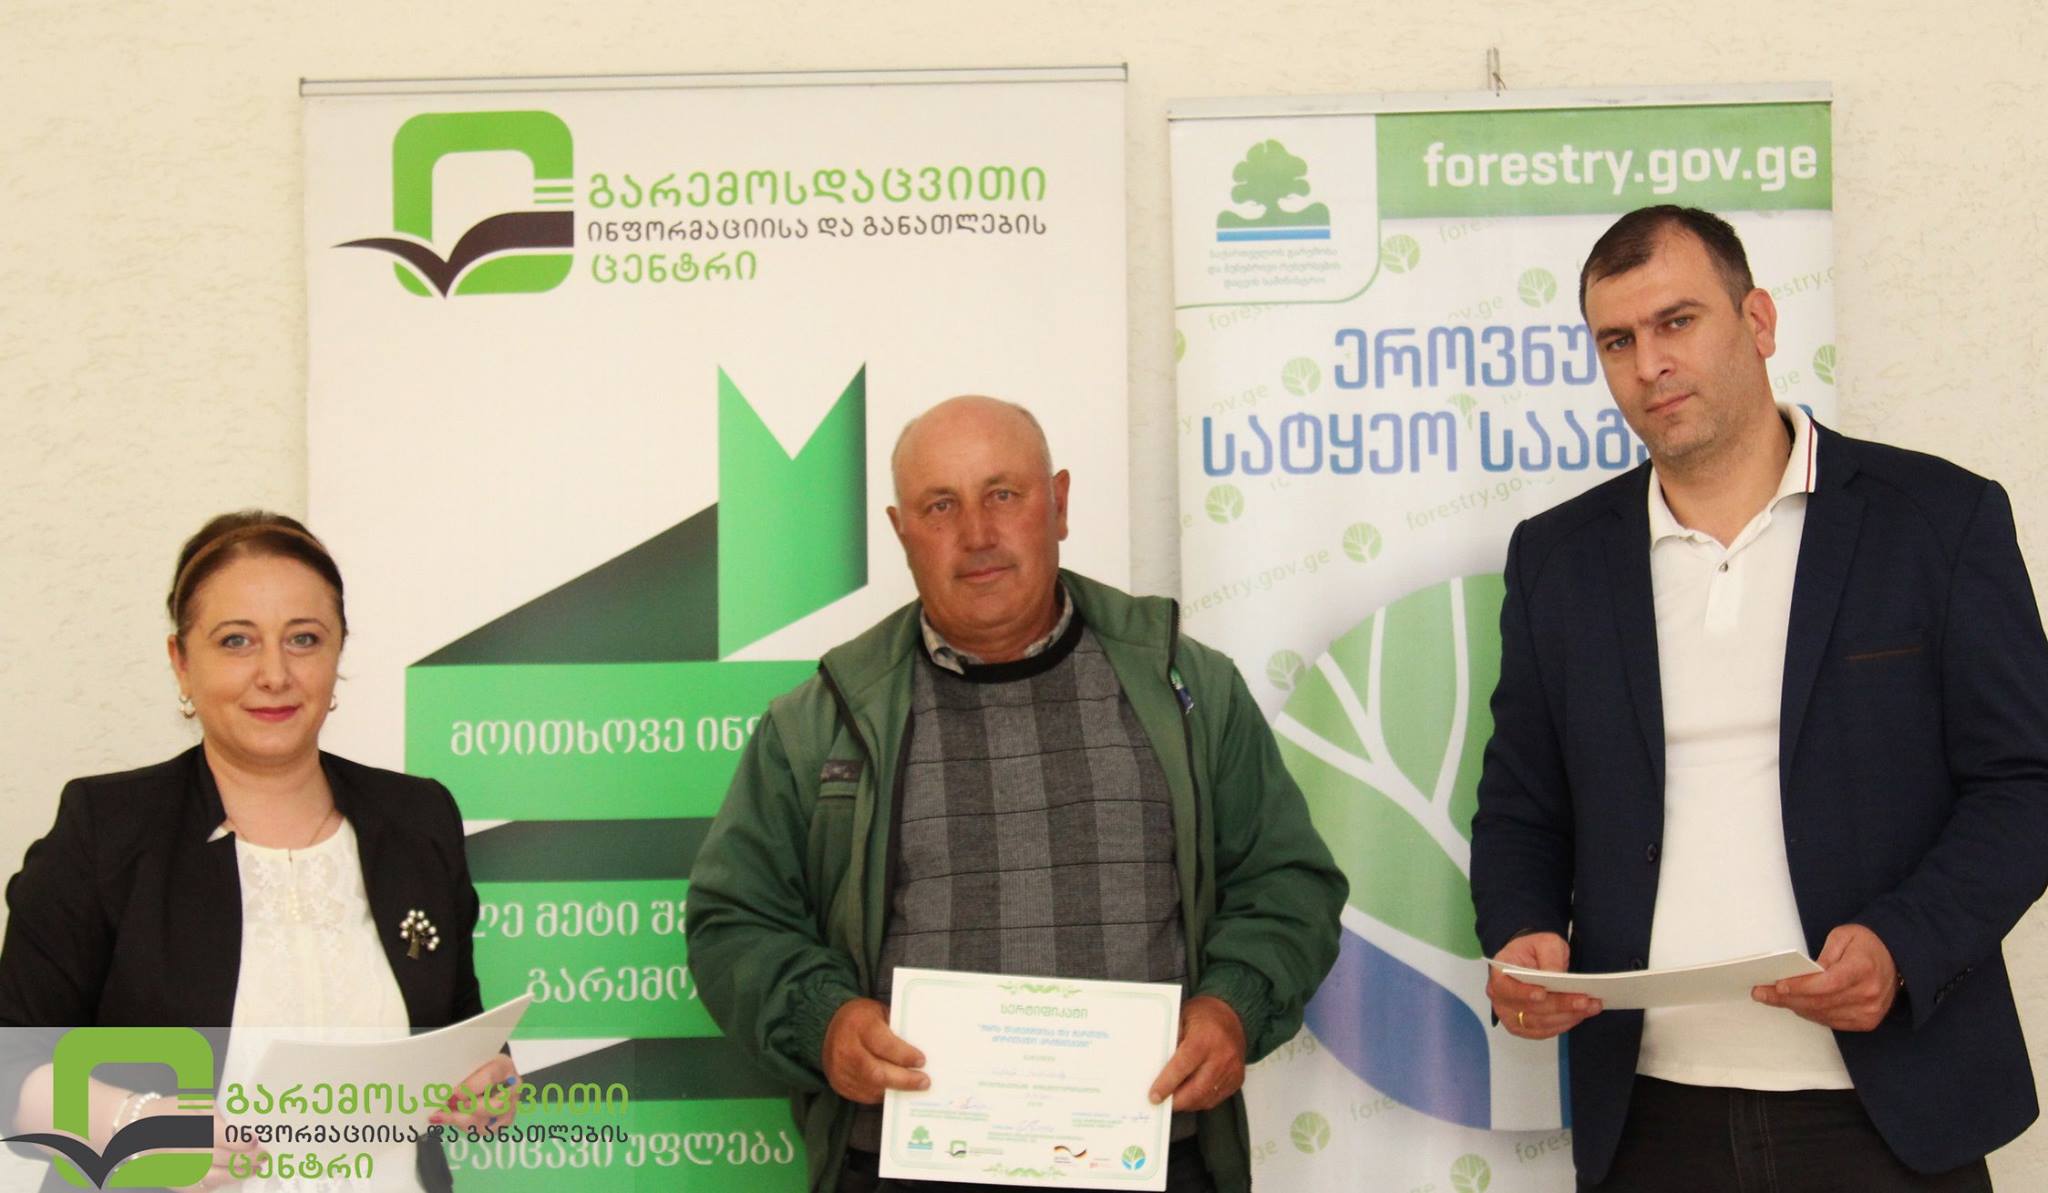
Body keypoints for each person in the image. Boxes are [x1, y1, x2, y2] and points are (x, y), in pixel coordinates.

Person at [1470, 205, 2048, 1191]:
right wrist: (1520, 931)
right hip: (1648, 1116)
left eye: (1677, 321)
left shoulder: (1936, 521)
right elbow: (1523, 804)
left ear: (1760, 321)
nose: (1650, 363)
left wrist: (1904, 944)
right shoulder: (1556, 559)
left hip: (1892, 1111)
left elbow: (2025, 782)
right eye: (1617, 340)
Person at [687, 396, 1345, 1192]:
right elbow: (735, 920)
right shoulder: (822, 719)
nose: (977, 533)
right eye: (941, 506)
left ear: (1059, 504)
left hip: (1151, 1162)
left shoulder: (1188, 689)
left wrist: (1233, 1005)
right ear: (901, 532)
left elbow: (1287, 884)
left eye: (1003, 493)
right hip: (902, 1168)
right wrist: (822, 1019)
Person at [0, 512, 516, 1191]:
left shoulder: (418, 819)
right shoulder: (107, 829)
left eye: (304, 639)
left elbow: (458, 1024)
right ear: (181, 661)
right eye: (236, 640)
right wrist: (134, 1122)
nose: (274, 673)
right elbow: (11, 1066)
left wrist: (488, 1077)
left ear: (338, 653)